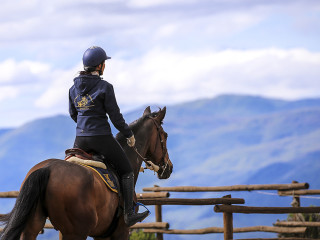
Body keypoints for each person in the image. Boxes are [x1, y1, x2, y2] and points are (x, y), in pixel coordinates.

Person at [68, 46, 149, 227]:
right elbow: (115, 117)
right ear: (100, 66)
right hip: (102, 138)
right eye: (104, 63)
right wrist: (128, 134)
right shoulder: (105, 87)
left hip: (80, 139)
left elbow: (73, 114)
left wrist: (85, 126)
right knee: (127, 170)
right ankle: (129, 214)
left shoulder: (73, 89)